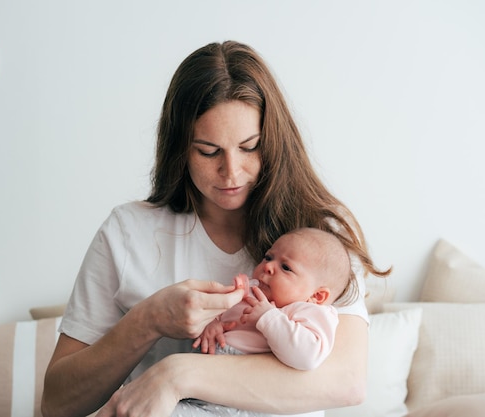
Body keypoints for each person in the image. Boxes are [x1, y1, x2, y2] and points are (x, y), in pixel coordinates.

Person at [41, 40, 390, 417]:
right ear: (178, 147)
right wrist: (150, 320)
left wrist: (175, 374)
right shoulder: (127, 233)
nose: (231, 172)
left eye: (249, 147)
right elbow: (58, 404)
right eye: (208, 151)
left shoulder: (320, 238)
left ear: (272, 142)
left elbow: (346, 380)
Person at [193, 227, 354, 372]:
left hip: (246, 379)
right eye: (269, 257)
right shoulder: (246, 291)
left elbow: (307, 357)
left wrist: (268, 317)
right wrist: (211, 324)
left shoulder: (307, 310)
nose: (267, 266)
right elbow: (210, 312)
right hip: (208, 364)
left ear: (316, 296)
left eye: (286, 267)